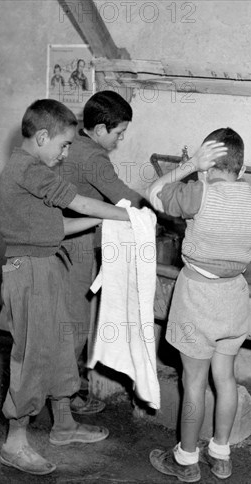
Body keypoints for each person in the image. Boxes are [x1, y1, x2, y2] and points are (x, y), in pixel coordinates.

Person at [0, 99, 130, 476]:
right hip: (29, 273)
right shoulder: (30, 170)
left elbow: (59, 226)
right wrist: (130, 215)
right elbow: (81, 202)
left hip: (45, 266)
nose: (67, 152)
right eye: (64, 145)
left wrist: (104, 225)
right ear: (41, 137)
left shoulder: (30, 169)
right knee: (32, 356)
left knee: (56, 347)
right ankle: (15, 442)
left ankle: (64, 425)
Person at [147, 128, 251, 482]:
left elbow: (154, 194)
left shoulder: (200, 194)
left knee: (194, 382)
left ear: (207, 165)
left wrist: (188, 167)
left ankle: (186, 459)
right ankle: (221, 454)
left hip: (198, 296)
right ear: (241, 170)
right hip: (234, 297)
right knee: (226, 378)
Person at [55, 90, 144, 415]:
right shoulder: (92, 156)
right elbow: (123, 197)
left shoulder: (72, 143)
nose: (120, 140)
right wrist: (162, 213)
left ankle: (63, 391)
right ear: (102, 129)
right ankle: (63, 405)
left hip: (57, 239)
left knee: (60, 322)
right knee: (75, 326)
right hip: (74, 244)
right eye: (119, 133)